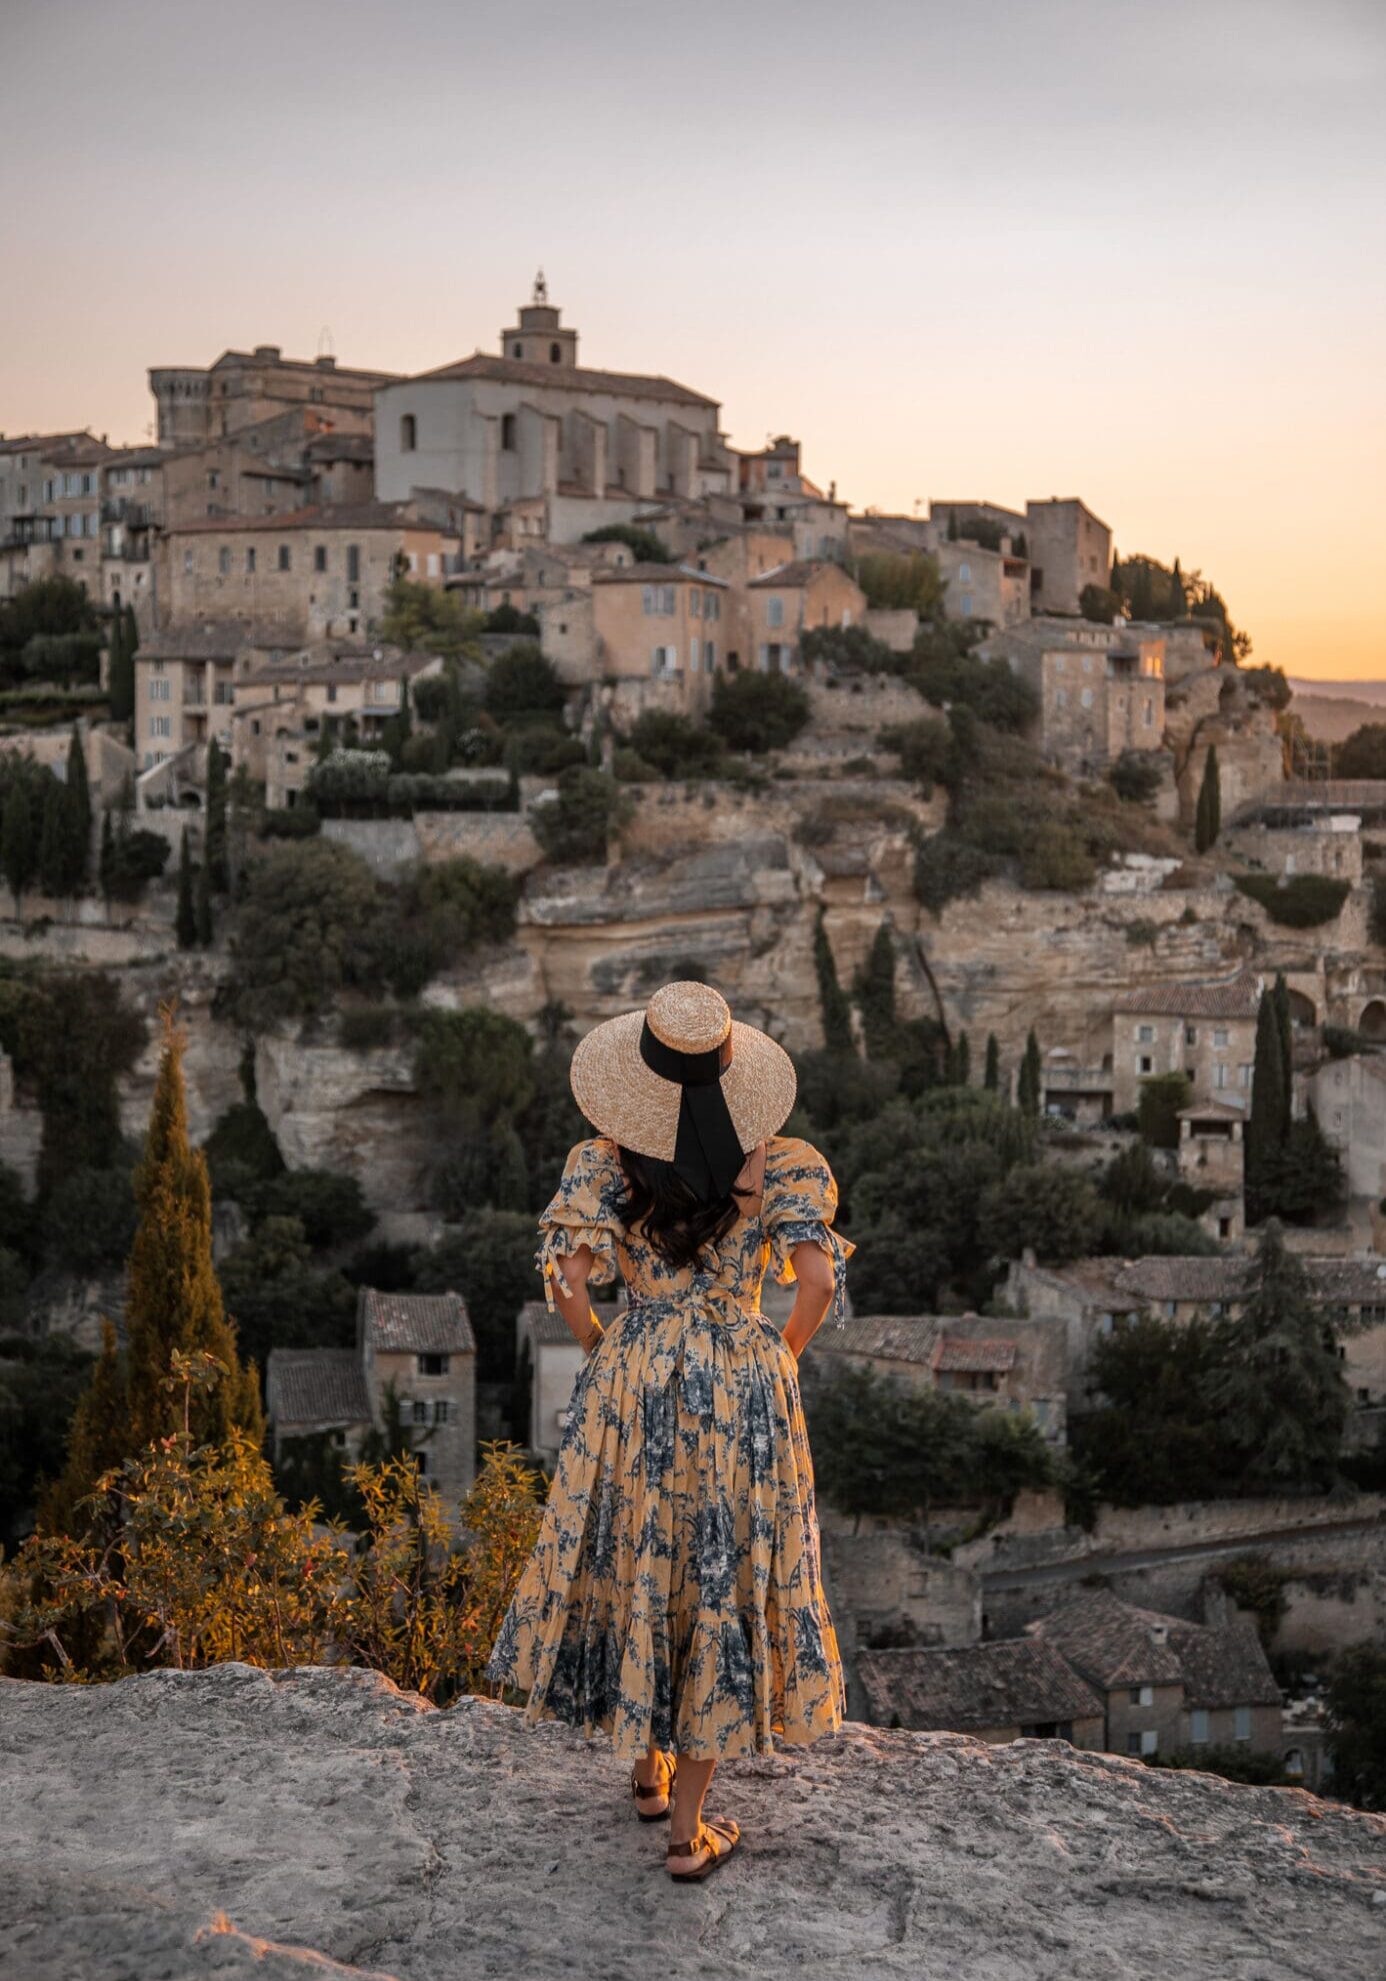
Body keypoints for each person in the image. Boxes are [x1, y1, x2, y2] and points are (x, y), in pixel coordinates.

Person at [483, 980, 852, 1884]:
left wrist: (609, 1345)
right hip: (738, 1380)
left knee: (638, 1557)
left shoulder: (605, 1161)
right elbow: (817, 1284)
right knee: (717, 1576)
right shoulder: (784, 1162)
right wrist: (780, 1359)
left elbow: (567, 1282)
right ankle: (687, 1832)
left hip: (636, 1374)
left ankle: (645, 1773)